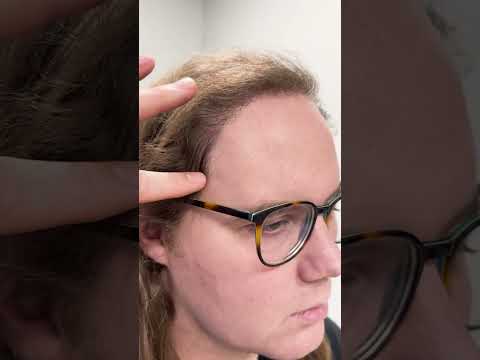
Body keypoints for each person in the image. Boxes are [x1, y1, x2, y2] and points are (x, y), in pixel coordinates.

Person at [139, 51, 342, 360]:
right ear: (156, 233)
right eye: (275, 223)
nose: (331, 264)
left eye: (329, 210)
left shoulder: (335, 344)